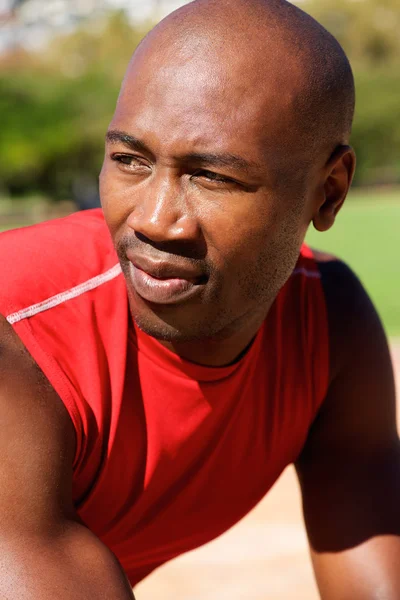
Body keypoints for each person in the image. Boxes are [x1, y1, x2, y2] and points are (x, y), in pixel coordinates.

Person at [0, 0, 399, 597]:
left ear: (329, 192)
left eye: (212, 177)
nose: (156, 221)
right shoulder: (19, 336)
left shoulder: (327, 328)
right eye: (130, 161)